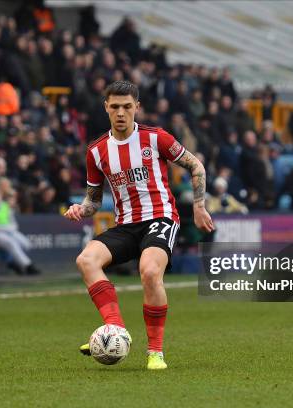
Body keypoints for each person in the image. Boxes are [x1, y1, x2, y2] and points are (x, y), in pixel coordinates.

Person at [64, 81, 214, 370]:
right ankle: (116, 330)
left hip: (160, 218)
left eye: (127, 107)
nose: (121, 112)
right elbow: (94, 201)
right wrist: (80, 209)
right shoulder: (96, 151)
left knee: (149, 271)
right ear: (106, 107)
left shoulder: (156, 138)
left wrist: (198, 207)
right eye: (115, 106)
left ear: (137, 108)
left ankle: (155, 352)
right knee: (86, 260)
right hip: (126, 225)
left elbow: (196, 166)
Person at [0, 187, 40, 275]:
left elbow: (14, 224)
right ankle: (28, 266)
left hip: (9, 231)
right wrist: (0, 227)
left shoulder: (5, 206)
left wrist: (6, 228)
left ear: (1, 196)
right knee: (11, 243)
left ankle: (13, 263)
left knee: (26, 243)